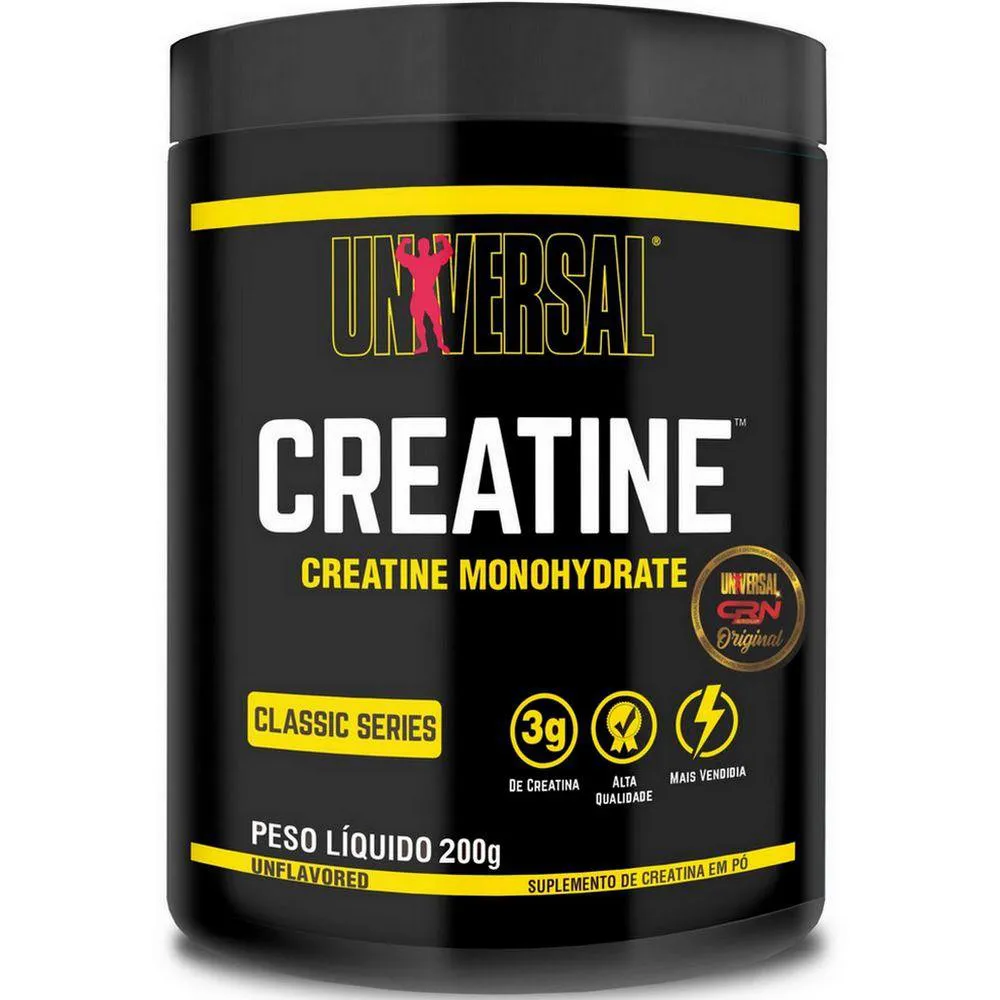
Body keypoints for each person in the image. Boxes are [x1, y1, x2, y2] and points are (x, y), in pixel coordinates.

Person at [395, 235, 453, 354]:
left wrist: (443, 240)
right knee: (419, 323)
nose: (423, 248)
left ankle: (440, 343)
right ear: (418, 248)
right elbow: (399, 255)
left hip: (428, 295)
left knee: (436, 322)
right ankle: (423, 345)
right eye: (421, 246)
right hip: (418, 296)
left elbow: (449, 252)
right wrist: (403, 243)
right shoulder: (415, 261)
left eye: (425, 246)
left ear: (428, 247)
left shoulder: (433, 260)